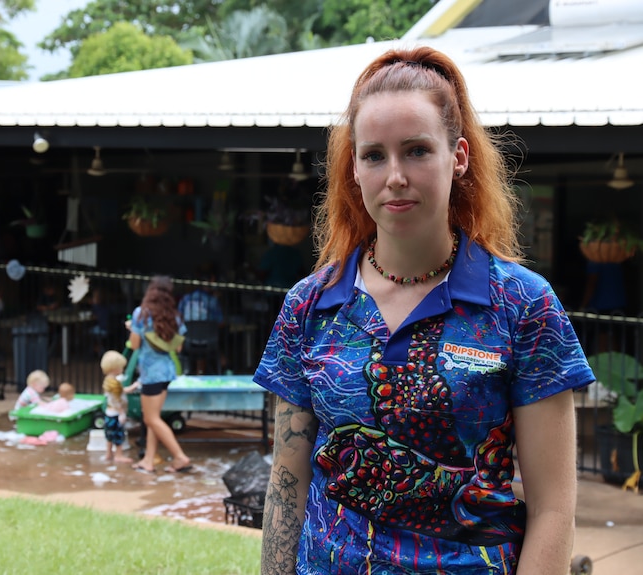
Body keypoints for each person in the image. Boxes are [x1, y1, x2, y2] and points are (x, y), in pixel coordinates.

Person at [254, 47, 595, 575]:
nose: (395, 175)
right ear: (355, 170)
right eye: (373, 155)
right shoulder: (310, 304)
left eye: (416, 150)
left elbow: (554, 508)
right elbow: (288, 480)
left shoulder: (522, 306)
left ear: (457, 157)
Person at [128, 275, 192, 474]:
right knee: (153, 417)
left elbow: (135, 345)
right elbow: (178, 347)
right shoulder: (175, 315)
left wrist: (131, 329)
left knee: (151, 419)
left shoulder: (141, 313)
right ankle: (148, 460)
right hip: (167, 371)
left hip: (150, 373)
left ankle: (180, 457)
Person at [100, 350, 138, 464]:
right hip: (116, 414)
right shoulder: (115, 384)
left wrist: (132, 387)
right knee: (118, 435)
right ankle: (119, 455)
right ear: (115, 368)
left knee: (109, 435)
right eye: (121, 367)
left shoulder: (109, 380)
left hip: (109, 413)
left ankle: (108, 453)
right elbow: (117, 400)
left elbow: (121, 392)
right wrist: (122, 413)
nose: (123, 369)